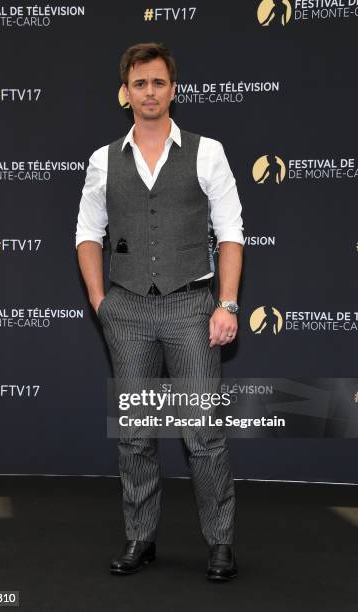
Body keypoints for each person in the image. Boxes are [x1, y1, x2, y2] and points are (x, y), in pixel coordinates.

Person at [75, 42, 244, 581]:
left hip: (193, 307)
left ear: (174, 88)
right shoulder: (103, 160)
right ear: (125, 92)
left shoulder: (207, 151)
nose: (150, 92)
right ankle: (140, 536)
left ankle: (219, 543)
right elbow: (86, 234)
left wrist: (228, 304)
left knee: (203, 431)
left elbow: (232, 235)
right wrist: (103, 303)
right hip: (126, 310)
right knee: (136, 433)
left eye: (159, 82)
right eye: (140, 83)